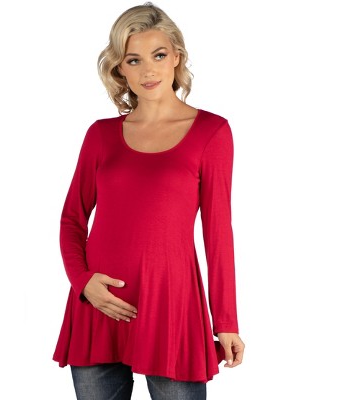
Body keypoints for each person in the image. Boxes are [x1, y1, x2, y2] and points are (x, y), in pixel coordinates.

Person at [52, 3, 245, 399]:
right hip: (98, 306)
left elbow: (218, 233)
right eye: (133, 60)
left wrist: (225, 321)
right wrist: (82, 282)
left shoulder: (211, 132)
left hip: (170, 306)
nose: (148, 71)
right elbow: (72, 218)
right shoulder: (101, 135)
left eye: (158, 55)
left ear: (176, 56)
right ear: (120, 68)